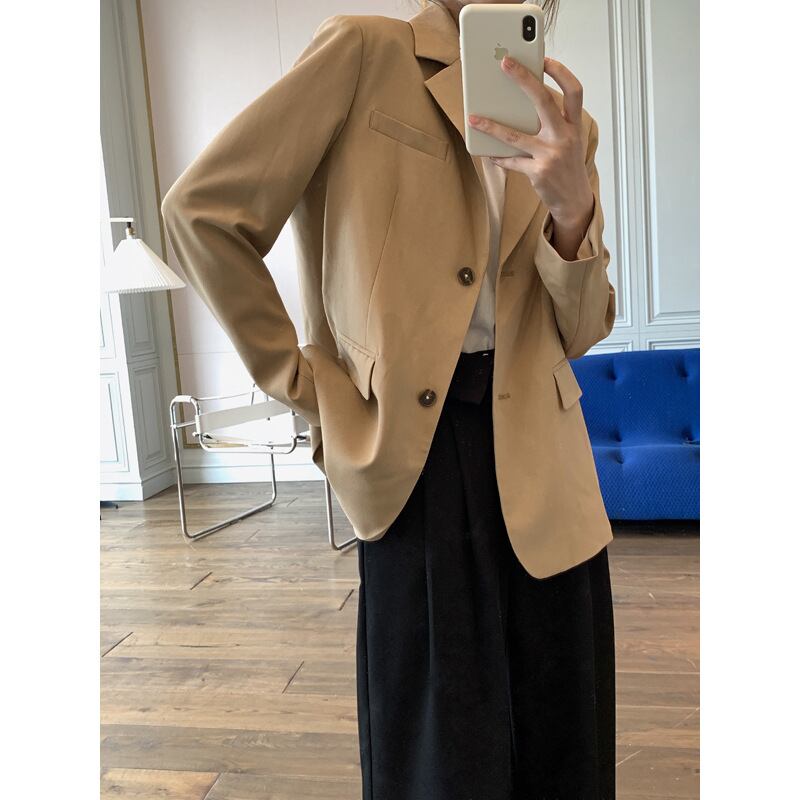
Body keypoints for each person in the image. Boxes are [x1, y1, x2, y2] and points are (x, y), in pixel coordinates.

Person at [161, 0, 617, 797]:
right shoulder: (366, 53)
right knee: (437, 754)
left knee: (564, 745)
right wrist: (306, 383)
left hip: (547, 462)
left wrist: (573, 209)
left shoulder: (567, 128)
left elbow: (580, 330)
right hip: (415, 455)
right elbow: (200, 215)